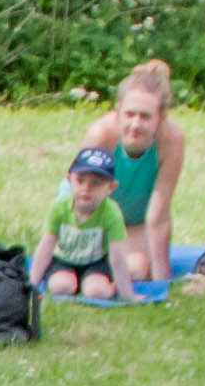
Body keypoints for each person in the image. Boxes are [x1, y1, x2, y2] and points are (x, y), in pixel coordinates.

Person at [77, 66, 186, 293]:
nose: (135, 125)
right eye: (130, 114)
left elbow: (158, 215)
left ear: (161, 118)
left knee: (138, 270)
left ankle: (114, 278)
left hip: (134, 224)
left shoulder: (172, 140)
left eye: (145, 116)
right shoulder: (101, 135)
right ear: (118, 111)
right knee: (91, 272)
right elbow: (79, 202)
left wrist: (161, 284)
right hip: (93, 219)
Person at [36, 149, 121, 299]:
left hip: (96, 263)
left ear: (110, 188)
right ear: (69, 180)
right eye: (80, 180)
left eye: (96, 183)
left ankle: (108, 286)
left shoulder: (111, 212)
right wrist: (32, 283)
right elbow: (46, 247)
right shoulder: (59, 207)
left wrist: (127, 293)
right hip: (63, 261)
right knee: (60, 287)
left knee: (96, 292)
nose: (86, 189)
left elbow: (117, 255)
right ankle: (74, 283)